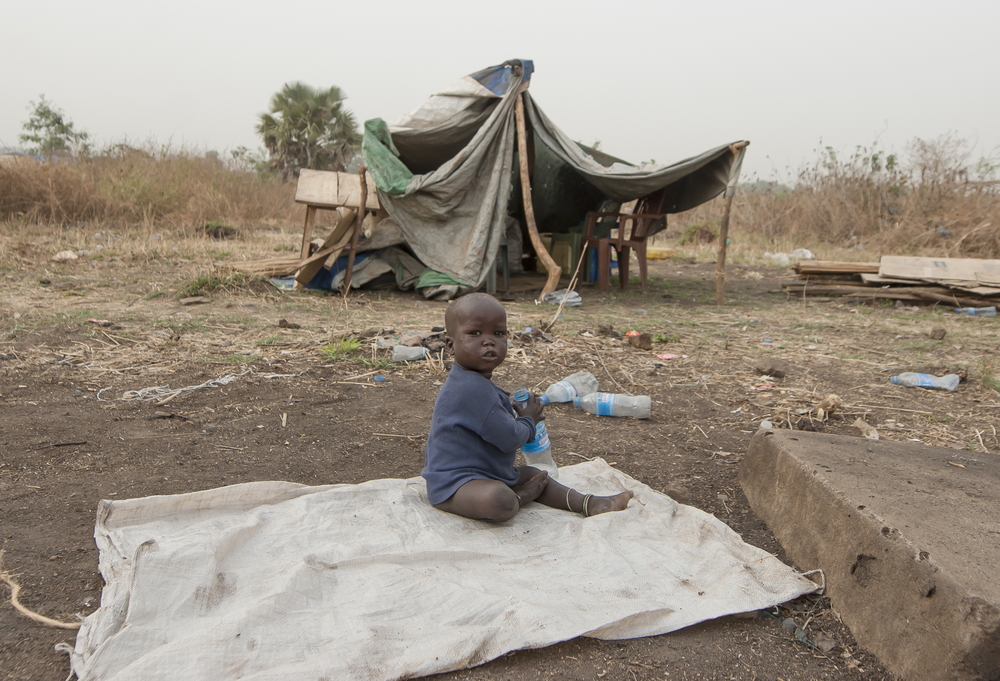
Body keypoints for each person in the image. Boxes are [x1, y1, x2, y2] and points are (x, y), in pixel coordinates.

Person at [421, 292, 633, 522]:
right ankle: (521, 498)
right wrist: (528, 419)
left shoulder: (476, 381)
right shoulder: (469, 389)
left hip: (487, 473)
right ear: (450, 345)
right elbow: (510, 438)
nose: (489, 340)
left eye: (498, 333)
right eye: (475, 333)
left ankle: (589, 503)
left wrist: (516, 415)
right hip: (454, 484)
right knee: (498, 499)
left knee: (535, 474)